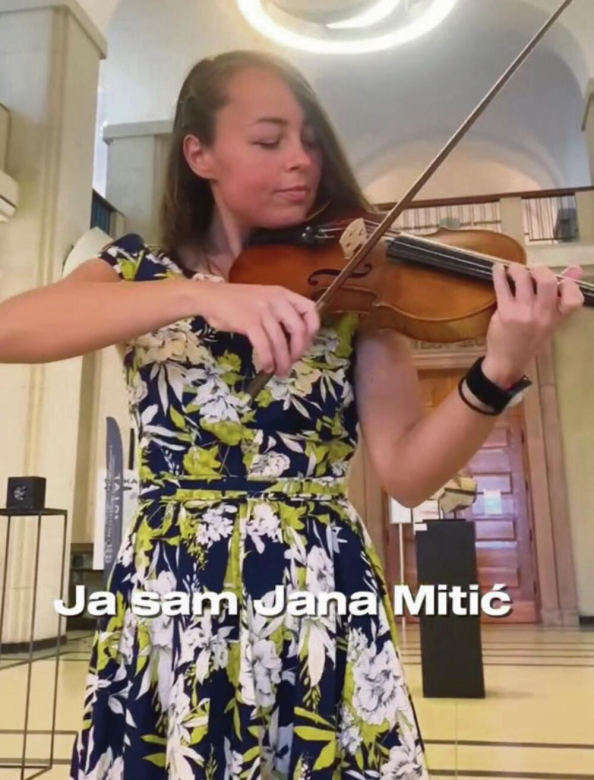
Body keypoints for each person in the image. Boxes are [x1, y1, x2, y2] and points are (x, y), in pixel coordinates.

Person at [0, 50, 584, 780]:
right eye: (269, 140)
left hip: (317, 581)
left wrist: (498, 370)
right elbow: (10, 329)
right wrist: (199, 293)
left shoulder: (354, 289)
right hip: (175, 585)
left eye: (309, 141)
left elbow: (408, 473)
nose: (302, 160)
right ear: (200, 155)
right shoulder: (135, 272)